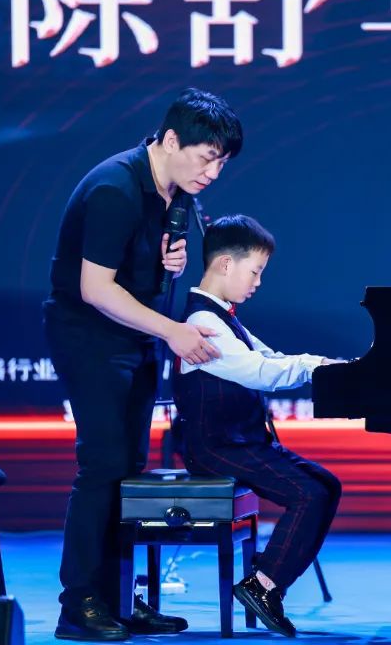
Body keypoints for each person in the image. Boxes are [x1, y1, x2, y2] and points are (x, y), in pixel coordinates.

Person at [43, 88, 242, 641]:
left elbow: (137, 271)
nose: (212, 173)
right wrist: (173, 332)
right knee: (102, 465)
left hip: (135, 334)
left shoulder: (172, 193)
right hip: (90, 335)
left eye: (222, 163)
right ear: (172, 140)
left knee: (128, 468)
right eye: (207, 158)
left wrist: (169, 263)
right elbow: (95, 289)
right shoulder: (115, 188)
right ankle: (79, 604)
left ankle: (117, 595)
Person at [168, 214, 343, 638]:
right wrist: (318, 366)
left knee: (327, 484)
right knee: (309, 493)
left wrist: (332, 366)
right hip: (216, 447)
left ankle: (266, 582)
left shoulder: (224, 317)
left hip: (242, 441)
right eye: (256, 271)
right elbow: (260, 373)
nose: (258, 282)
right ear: (226, 264)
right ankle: (263, 585)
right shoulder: (203, 323)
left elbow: (271, 357)